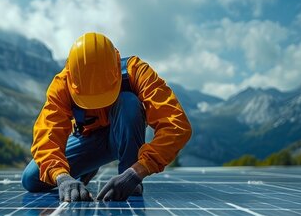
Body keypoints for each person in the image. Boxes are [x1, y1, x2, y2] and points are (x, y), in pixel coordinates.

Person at [21, 32, 192, 202]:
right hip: (89, 141)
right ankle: (90, 164)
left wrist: (136, 172)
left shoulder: (137, 71)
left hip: (125, 135)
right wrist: (62, 177)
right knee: (32, 179)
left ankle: (128, 174)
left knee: (129, 102)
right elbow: (48, 135)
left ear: (117, 69)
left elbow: (176, 126)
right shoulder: (62, 85)